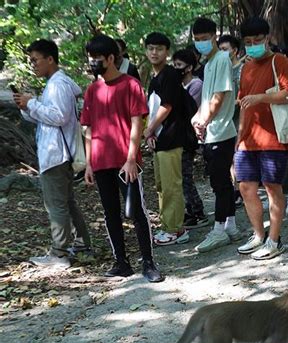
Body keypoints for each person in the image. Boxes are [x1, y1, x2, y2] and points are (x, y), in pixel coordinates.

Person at [81, 34, 163, 282]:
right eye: (91, 58)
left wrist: (131, 158)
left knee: (136, 211)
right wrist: (88, 163)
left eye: (97, 58)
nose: (94, 62)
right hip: (100, 161)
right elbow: (88, 128)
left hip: (126, 161)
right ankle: (121, 262)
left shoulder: (130, 85)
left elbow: (137, 123)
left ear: (110, 58)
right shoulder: (92, 90)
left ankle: (148, 263)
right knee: (110, 212)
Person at [13, 38, 91, 268]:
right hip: (56, 153)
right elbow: (49, 118)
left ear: (50, 59)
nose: (33, 64)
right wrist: (27, 107)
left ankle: (59, 253)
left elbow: (59, 116)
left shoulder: (57, 85)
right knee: (66, 202)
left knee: (56, 204)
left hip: (56, 155)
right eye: (30, 60)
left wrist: (32, 103)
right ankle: (81, 245)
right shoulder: (54, 84)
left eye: (35, 60)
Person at [235, 16, 288, 260]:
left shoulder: (279, 61)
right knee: (246, 187)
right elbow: (243, 105)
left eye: (257, 40)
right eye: (248, 41)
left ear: (267, 38)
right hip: (247, 140)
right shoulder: (246, 68)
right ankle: (258, 235)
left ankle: (274, 239)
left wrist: (261, 97)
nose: (252, 45)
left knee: (273, 188)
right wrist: (239, 139)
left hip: (274, 138)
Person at [191, 17, 240, 253]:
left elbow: (219, 97)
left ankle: (219, 229)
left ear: (214, 37)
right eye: (197, 40)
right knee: (222, 182)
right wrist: (198, 117)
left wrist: (204, 119)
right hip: (213, 131)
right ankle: (230, 225)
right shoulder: (209, 63)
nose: (201, 43)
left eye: (205, 39)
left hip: (220, 131)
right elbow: (208, 98)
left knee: (219, 183)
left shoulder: (221, 59)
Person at [142, 32, 189, 246]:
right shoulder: (154, 77)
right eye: (150, 48)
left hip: (171, 137)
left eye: (159, 48)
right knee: (162, 185)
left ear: (166, 52)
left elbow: (167, 106)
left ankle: (176, 229)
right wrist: (151, 132)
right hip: (160, 139)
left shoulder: (169, 74)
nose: (154, 52)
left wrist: (148, 129)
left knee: (171, 185)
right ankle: (167, 225)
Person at [172, 48, 208, 229]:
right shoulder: (178, 85)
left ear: (189, 67)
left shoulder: (196, 85)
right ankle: (190, 210)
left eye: (179, 65)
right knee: (181, 176)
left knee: (186, 176)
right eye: (175, 64)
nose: (176, 68)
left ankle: (197, 211)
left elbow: (187, 111)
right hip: (178, 137)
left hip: (189, 137)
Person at [218, 34, 245, 208]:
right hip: (225, 119)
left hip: (240, 118)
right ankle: (235, 189)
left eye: (225, 50)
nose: (222, 54)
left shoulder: (243, 69)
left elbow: (245, 96)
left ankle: (240, 191)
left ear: (234, 51)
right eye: (219, 50)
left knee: (237, 155)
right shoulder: (221, 70)